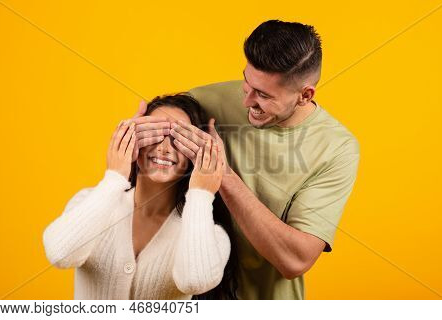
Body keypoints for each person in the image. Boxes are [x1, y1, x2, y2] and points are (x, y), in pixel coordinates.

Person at [134, 20, 360, 299]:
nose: (246, 101)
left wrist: (223, 175)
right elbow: (152, 162)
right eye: (246, 83)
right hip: (189, 293)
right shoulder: (207, 100)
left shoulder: (337, 148)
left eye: (263, 95)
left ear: (305, 95)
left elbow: (296, 261)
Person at [43, 94, 239, 299]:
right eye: (155, 134)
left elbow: (194, 280)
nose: (164, 148)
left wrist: (201, 193)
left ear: (195, 155)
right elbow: (60, 254)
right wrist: (115, 176)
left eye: (179, 139)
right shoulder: (89, 201)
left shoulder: (212, 234)